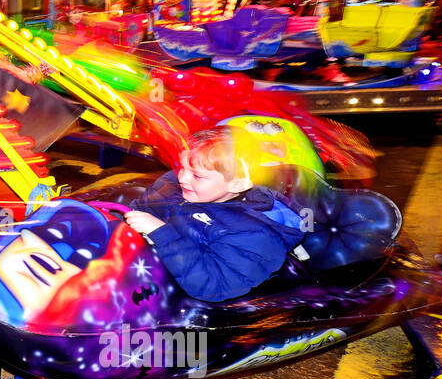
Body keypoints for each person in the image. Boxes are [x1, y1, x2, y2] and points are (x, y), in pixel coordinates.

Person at [122, 126, 305, 303]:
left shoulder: (253, 234)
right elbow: (138, 210)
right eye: (181, 167)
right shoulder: (174, 184)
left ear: (238, 185)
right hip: (140, 269)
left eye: (197, 176)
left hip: (186, 307)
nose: (182, 178)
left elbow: (213, 285)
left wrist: (161, 232)